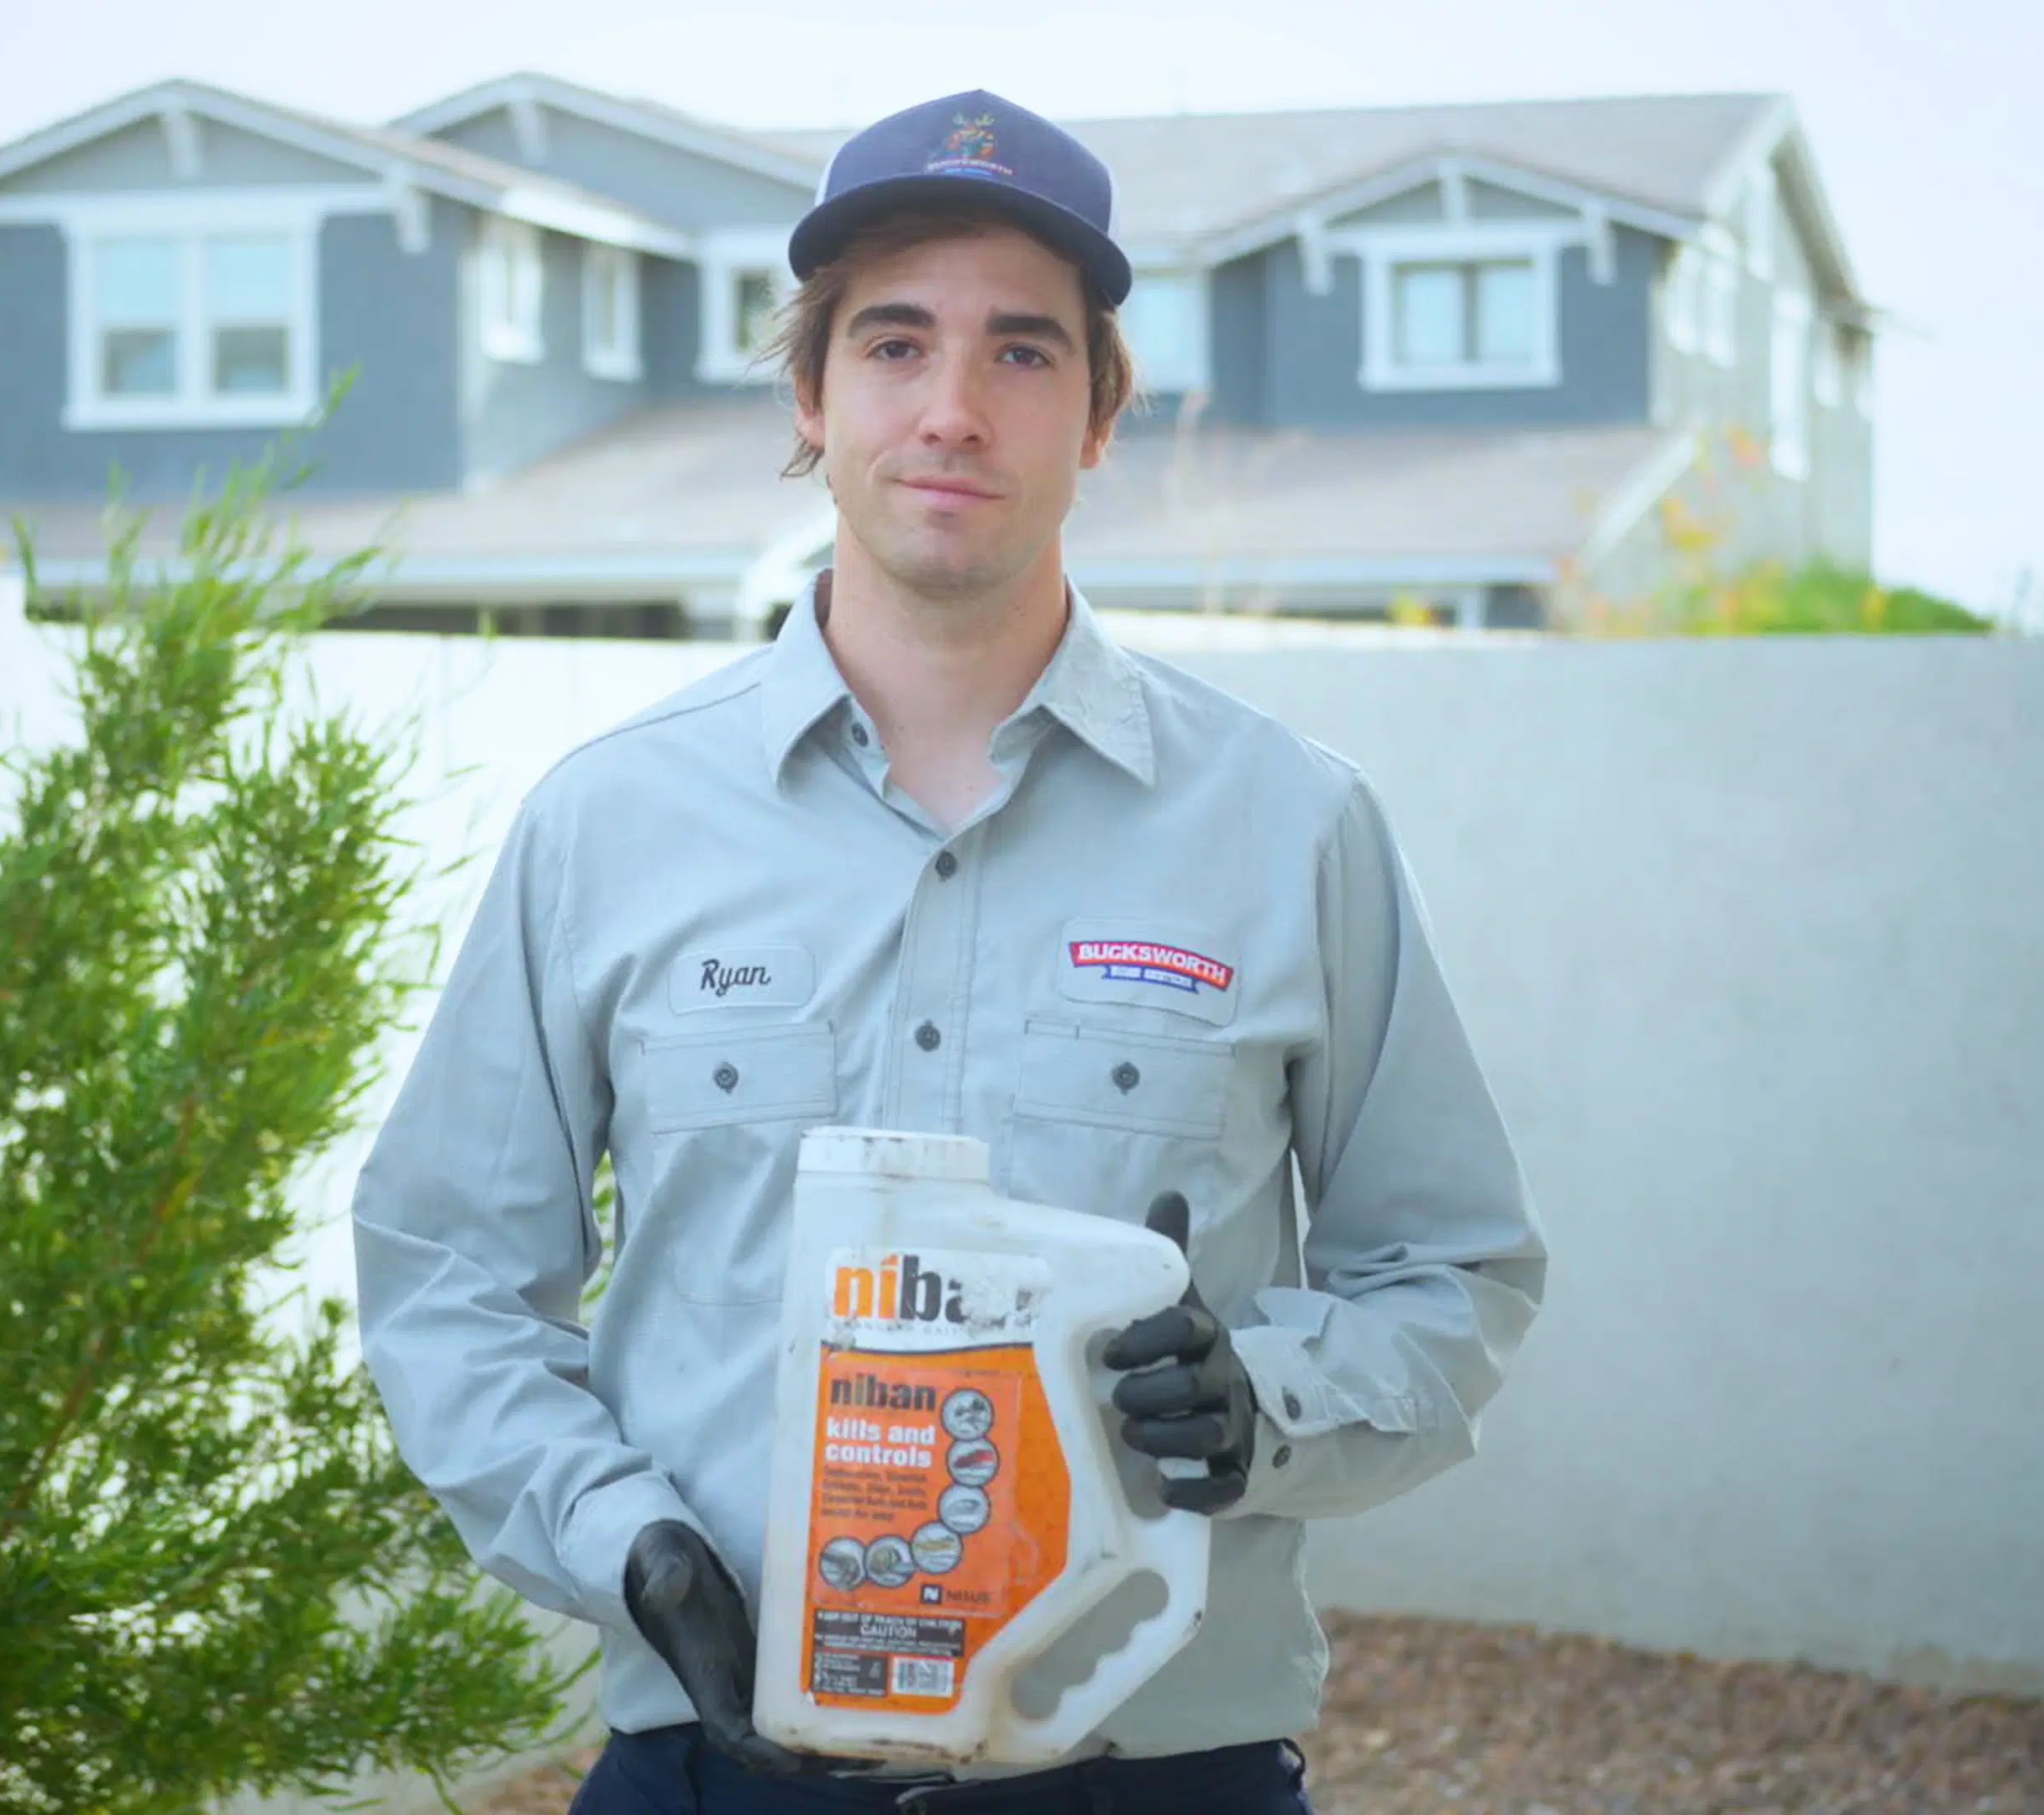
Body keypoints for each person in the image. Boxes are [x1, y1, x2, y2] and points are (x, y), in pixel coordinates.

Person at [351, 87, 1546, 1815]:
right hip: (719, 1767)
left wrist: (1259, 1405)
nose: (954, 409)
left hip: (1155, 1769)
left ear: (1101, 412)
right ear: (812, 397)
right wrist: (630, 1548)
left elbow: (1453, 1273)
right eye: (896, 343)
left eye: (1024, 353)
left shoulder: (1293, 828)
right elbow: (449, 1279)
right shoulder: (607, 826)